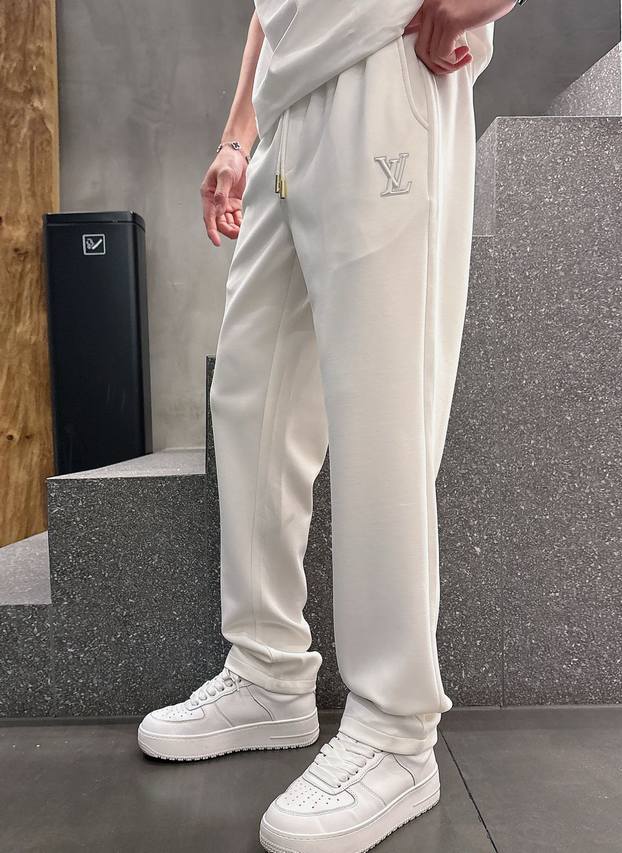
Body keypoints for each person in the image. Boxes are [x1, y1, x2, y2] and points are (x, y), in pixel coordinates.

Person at [138, 1, 524, 850]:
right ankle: (268, 669)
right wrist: (237, 138)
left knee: (382, 407)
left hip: (384, 62)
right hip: (287, 110)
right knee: (250, 394)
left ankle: (394, 727)